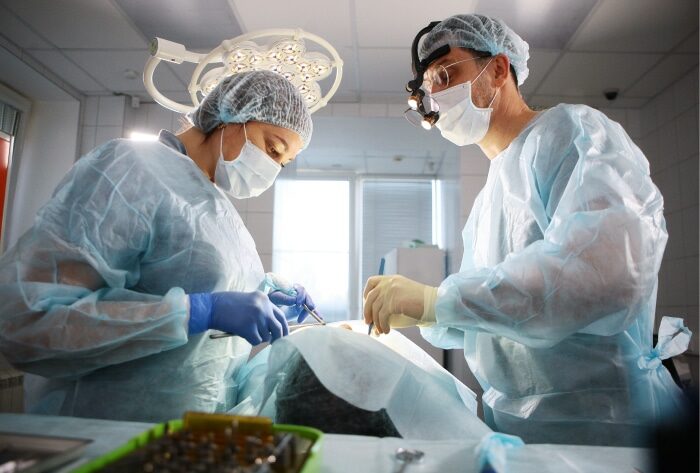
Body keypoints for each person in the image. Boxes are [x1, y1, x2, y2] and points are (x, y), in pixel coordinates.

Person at [363, 14, 691, 446]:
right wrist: (432, 316)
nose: (435, 95)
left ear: (498, 69)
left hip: (606, 426)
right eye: (427, 88)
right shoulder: (489, 196)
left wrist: (438, 301)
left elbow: (602, 275)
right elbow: (507, 315)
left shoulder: (571, 134)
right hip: (518, 430)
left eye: (445, 74)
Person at [0, 70, 320, 422]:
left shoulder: (218, 210)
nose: (272, 168)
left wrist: (263, 294)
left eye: (282, 163)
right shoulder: (131, 169)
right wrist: (194, 312)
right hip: (101, 431)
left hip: (184, 437)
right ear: (234, 117)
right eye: (272, 149)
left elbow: (200, 287)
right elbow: (31, 320)